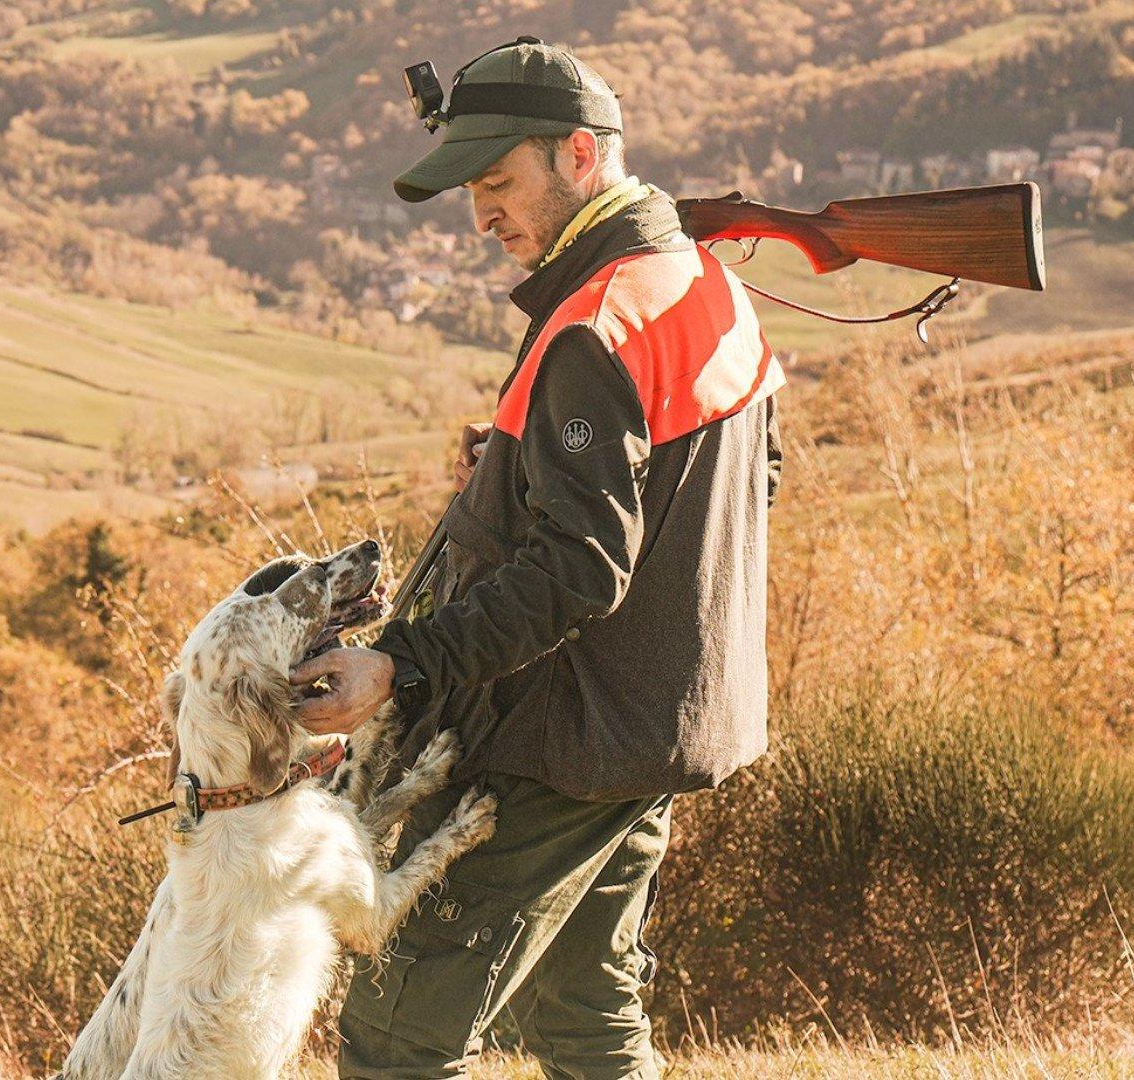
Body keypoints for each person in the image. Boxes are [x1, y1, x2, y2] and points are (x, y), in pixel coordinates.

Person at [288, 37, 784, 1080]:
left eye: (499, 181)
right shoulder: (700, 281)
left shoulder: (593, 322)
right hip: (659, 723)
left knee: (395, 1039)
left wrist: (400, 663)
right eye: (473, 190)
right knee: (580, 1013)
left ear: (578, 157)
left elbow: (583, 568)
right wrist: (518, 471)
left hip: (567, 740)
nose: (482, 215)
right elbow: (743, 475)